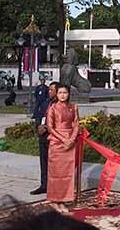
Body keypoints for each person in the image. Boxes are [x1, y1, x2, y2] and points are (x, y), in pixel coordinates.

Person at [45, 84, 79, 212]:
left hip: (70, 143)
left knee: (67, 173)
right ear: (56, 94)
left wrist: (72, 139)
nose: (63, 95)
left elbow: (76, 124)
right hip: (57, 142)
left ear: (69, 94)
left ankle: (63, 200)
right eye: (60, 93)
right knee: (56, 173)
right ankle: (54, 200)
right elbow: (50, 127)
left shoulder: (73, 107)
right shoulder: (52, 108)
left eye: (65, 92)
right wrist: (64, 139)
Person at [30, 81, 59, 195]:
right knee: (44, 160)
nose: (49, 91)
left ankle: (55, 186)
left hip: (52, 136)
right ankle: (44, 185)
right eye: (49, 89)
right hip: (43, 135)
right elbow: (39, 115)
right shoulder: (46, 102)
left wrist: (47, 127)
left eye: (52, 90)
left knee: (54, 162)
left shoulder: (59, 105)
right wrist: (39, 126)